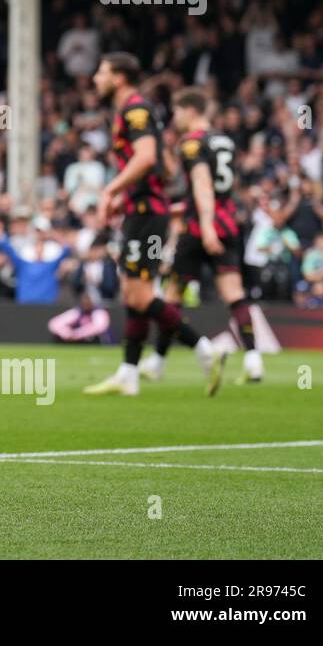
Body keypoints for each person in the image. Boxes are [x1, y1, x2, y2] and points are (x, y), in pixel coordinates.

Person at [85, 54, 218, 396]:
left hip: (147, 214)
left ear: (118, 78)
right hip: (139, 209)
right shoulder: (130, 110)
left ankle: (204, 347)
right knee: (133, 291)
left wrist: (110, 189)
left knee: (140, 293)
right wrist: (122, 195)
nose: (94, 78)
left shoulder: (135, 110)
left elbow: (146, 158)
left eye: (101, 72)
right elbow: (163, 167)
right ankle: (129, 372)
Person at [145, 88, 257, 384]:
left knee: (172, 294)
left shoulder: (193, 143)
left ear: (190, 111)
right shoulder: (225, 141)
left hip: (199, 227)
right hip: (229, 222)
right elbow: (225, 187)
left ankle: (157, 361)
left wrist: (205, 224)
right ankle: (254, 360)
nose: (175, 117)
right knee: (234, 292)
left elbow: (203, 183)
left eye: (177, 111)